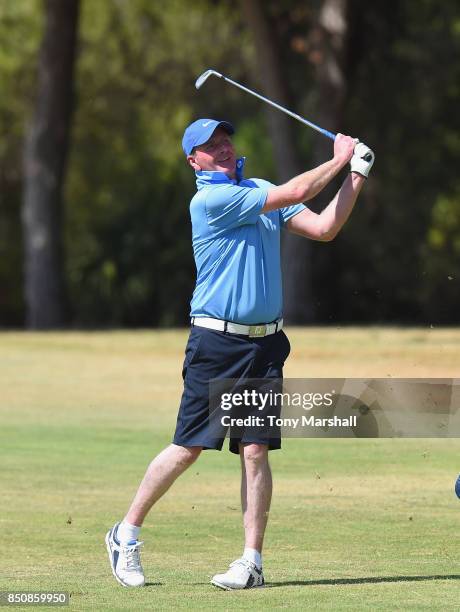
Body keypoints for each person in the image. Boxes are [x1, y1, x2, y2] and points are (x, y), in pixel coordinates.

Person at [106, 118, 374, 590]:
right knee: (189, 447)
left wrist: (355, 175)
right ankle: (125, 533)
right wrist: (337, 158)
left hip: (265, 346)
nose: (222, 148)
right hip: (217, 343)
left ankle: (251, 562)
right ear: (194, 161)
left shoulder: (259, 189)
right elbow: (294, 193)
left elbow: (325, 227)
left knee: (255, 452)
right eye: (210, 147)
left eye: (225, 140)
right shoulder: (211, 200)